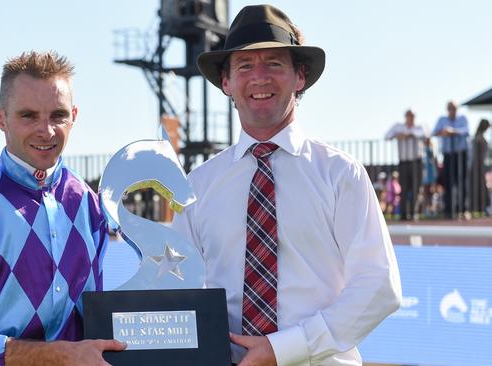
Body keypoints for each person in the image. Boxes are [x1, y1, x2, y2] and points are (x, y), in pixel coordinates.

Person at [171, 5, 401, 365]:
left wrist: (286, 348)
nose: (259, 77)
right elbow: (177, 293)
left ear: (300, 77)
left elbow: (379, 286)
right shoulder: (197, 186)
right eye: (245, 65)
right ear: (227, 82)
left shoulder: (341, 174)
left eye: (274, 63)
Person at [0, 51, 125, 365]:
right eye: (28, 115)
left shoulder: (87, 202)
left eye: (58, 115)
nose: (46, 130)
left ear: (74, 115)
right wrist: (57, 357)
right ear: (0, 118)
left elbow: (89, 322)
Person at [384, 109, 426, 220]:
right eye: (408, 115)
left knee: (416, 188)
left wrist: (408, 134)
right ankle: (403, 214)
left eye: (411, 115)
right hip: (403, 162)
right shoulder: (398, 127)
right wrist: (398, 135)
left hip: (416, 162)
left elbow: (423, 134)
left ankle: (413, 213)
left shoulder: (419, 127)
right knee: (404, 188)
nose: (410, 118)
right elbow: (387, 136)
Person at [432, 100, 469, 218]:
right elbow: (434, 132)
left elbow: (466, 131)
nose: (452, 111)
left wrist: (453, 132)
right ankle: (449, 210)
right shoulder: (442, 120)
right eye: (449, 108)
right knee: (448, 183)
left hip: (460, 154)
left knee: (462, 182)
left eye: (453, 108)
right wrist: (443, 132)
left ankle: (463, 209)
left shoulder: (463, 118)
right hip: (448, 155)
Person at [470, 119, 490, 214]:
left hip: (481, 166)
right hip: (477, 167)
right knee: (478, 187)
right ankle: (478, 207)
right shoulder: (478, 139)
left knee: (482, 186)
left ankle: (483, 207)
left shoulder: (479, 138)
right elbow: (476, 156)